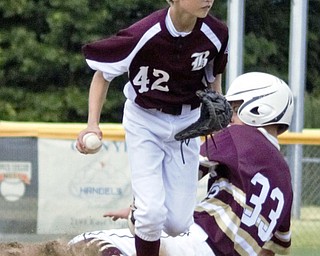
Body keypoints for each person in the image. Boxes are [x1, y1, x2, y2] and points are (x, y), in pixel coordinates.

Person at [71, 72, 294, 256]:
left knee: (87, 243)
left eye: (234, 108)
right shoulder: (286, 179)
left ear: (258, 111)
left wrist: (143, 209)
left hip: (199, 241)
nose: (228, 116)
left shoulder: (239, 135)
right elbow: (275, 249)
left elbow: (185, 173)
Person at [76, 0, 229, 255]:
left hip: (187, 125)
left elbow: (214, 76)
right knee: (152, 213)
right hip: (145, 121)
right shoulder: (144, 33)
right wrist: (93, 124)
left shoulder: (216, 33)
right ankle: (143, 213)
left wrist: (220, 109)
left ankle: (139, 213)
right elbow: (102, 74)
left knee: (178, 224)